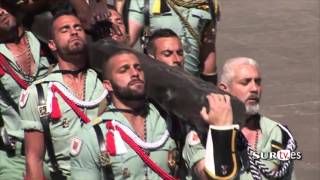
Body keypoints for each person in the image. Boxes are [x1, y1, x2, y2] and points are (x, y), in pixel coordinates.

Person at [70, 49, 231, 180]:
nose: (134, 73)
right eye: (123, 70)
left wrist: (221, 132)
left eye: (138, 68)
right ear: (108, 85)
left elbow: (208, 176)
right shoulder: (92, 136)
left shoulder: (174, 123)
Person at [20, 11, 107, 179]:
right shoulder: (38, 93)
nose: (74, 32)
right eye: (65, 29)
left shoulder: (106, 83)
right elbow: (34, 160)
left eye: (78, 27)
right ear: (52, 44)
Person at [182, 57, 296, 179]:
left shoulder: (277, 133)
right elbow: (209, 177)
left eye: (257, 82)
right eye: (245, 82)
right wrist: (221, 131)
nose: (254, 89)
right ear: (224, 89)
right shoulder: (202, 134)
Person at [0, 5, 52, 180]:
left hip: (59, 148)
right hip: (17, 156)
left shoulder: (45, 39)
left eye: (3, 5)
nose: (0, 11)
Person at [128, 0, 219, 84]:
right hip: (157, 83)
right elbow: (126, 44)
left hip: (192, 85)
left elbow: (208, 48)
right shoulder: (143, 1)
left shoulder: (207, 2)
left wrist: (211, 85)